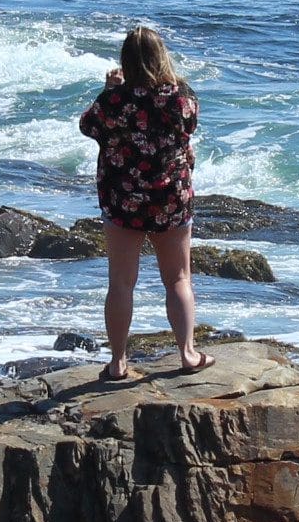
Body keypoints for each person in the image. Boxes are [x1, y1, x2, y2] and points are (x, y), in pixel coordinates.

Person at [77, 25, 205, 380]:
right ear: (161, 56)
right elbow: (190, 122)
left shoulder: (114, 102)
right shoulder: (181, 99)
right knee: (178, 279)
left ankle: (118, 362)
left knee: (120, 283)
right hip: (170, 198)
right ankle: (188, 354)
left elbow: (88, 126)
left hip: (123, 200)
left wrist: (110, 91)